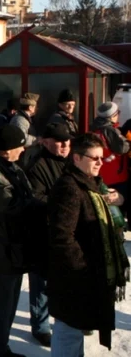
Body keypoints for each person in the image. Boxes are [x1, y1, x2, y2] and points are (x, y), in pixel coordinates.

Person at [48, 133, 129, 355]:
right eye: (94, 158)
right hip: (74, 278)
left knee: (75, 330)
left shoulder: (90, 184)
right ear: (76, 158)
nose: (100, 163)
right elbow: (62, 237)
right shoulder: (70, 188)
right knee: (68, 330)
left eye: (101, 158)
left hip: (83, 276)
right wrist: (82, 268)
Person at [0, 125, 41, 357]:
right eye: (19, 146)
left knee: (8, 305)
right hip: (0, 250)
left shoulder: (6, 166)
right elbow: (13, 207)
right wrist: (45, 206)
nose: (23, 150)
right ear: (6, 149)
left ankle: (0, 348)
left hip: (11, 248)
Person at [25, 123, 72, 347]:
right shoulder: (37, 165)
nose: (64, 146)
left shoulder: (73, 162)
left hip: (67, 233)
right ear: (46, 142)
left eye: (67, 142)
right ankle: (40, 327)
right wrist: (62, 205)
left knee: (66, 280)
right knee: (41, 283)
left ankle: (68, 320)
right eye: (59, 142)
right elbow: (35, 198)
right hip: (42, 232)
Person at [91, 102, 130, 212]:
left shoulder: (94, 128)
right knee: (117, 212)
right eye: (118, 113)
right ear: (112, 115)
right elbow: (123, 148)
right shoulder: (110, 130)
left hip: (101, 176)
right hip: (117, 178)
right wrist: (127, 140)